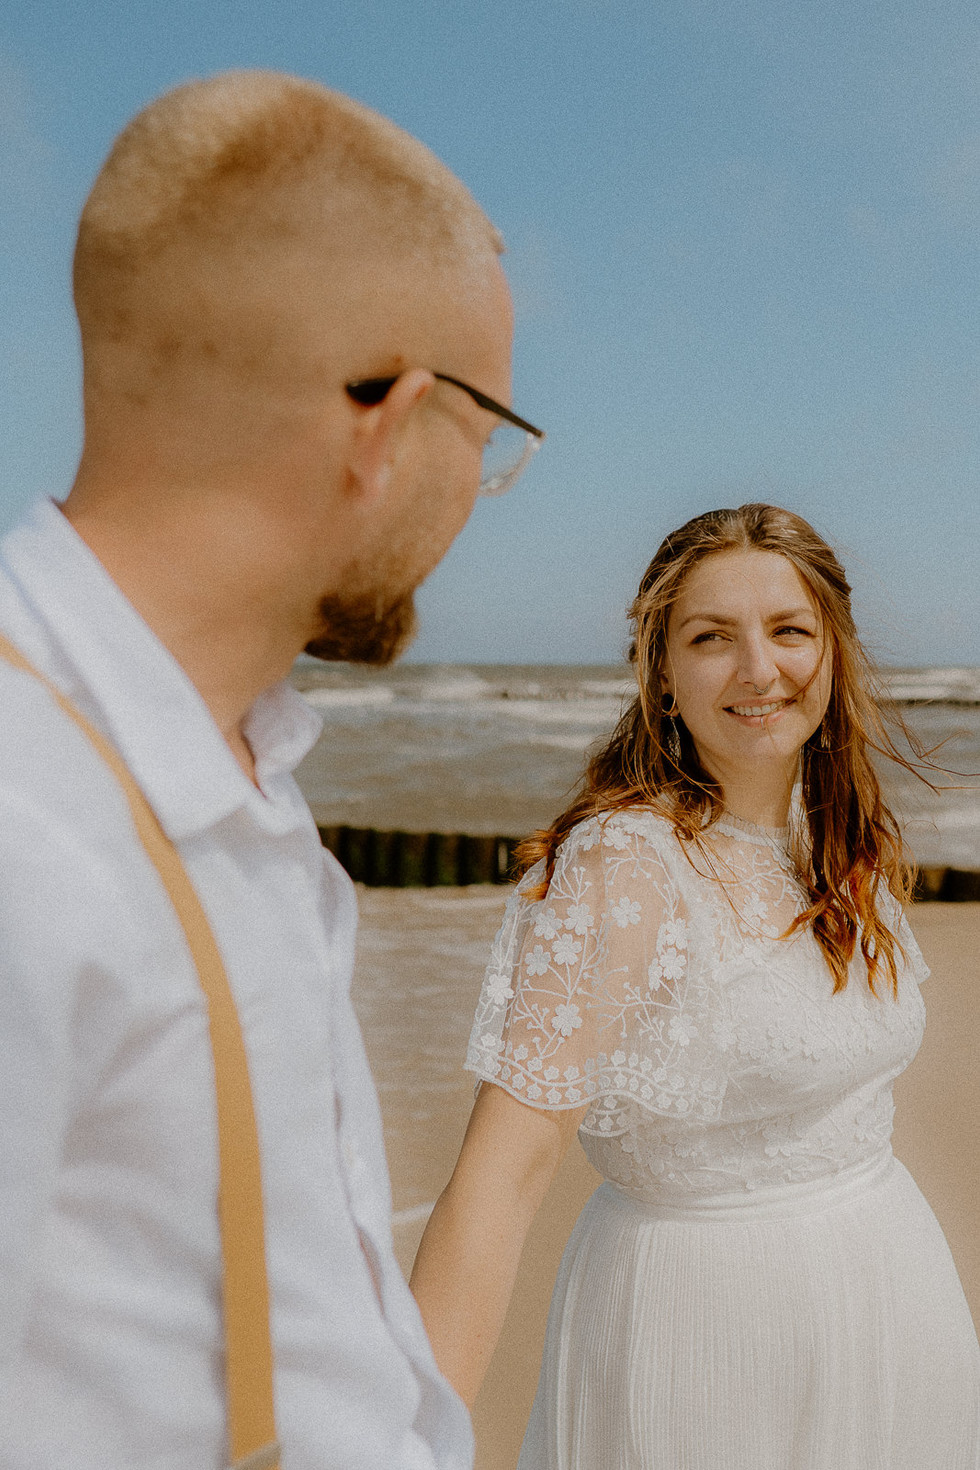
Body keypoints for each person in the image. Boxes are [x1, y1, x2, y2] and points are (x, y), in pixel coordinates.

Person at [0, 70, 544, 1470]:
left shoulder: (239, 776)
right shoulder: (26, 819)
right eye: (486, 440)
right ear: (389, 417)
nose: (476, 498)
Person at [410, 503, 980, 1469]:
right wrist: (402, 1435)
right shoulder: (623, 870)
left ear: (831, 651)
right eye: (712, 638)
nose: (760, 670)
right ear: (662, 676)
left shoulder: (840, 838)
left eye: (789, 631)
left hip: (890, 1295)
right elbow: (501, 1178)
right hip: (703, 1332)